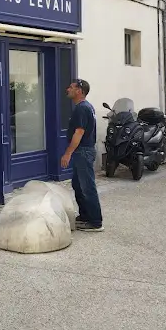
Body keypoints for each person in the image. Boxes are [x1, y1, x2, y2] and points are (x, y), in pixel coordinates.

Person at [61, 78, 103, 232]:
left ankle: (95, 222)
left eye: (71, 87)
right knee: (78, 185)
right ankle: (85, 217)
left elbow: (79, 132)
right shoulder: (85, 107)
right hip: (84, 151)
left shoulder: (82, 108)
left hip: (83, 151)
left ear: (79, 90)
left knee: (87, 186)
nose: (68, 89)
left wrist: (67, 154)